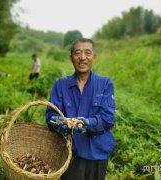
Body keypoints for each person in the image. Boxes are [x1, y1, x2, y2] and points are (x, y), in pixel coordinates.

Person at [45, 38, 116, 180]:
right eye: (77, 53)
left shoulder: (105, 84)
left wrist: (85, 123)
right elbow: (50, 116)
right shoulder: (61, 84)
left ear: (94, 57)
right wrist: (63, 123)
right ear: (71, 58)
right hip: (71, 154)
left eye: (87, 53)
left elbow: (108, 118)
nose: (82, 57)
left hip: (98, 152)